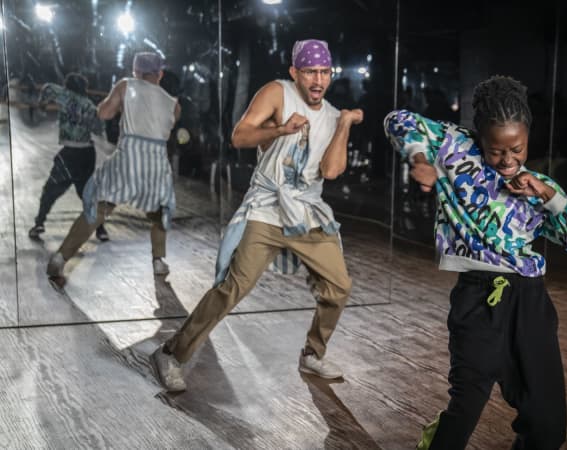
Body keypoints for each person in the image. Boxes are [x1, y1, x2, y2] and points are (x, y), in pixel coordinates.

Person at [384, 76, 567, 449]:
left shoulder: (539, 186)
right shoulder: (457, 150)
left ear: (527, 138)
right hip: (477, 299)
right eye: (496, 150)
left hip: (530, 303)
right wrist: (419, 158)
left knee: (548, 426)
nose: (507, 160)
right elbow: (398, 120)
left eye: (516, 149)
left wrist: (548, 195)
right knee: (466, 408)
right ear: (479, 139)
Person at [150, 39, 363, 392]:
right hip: (267, 208)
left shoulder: (331, 116)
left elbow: (332, 169)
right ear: (295, 72)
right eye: (310, 71)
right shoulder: (278, 92)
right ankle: (171, 353)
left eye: (324, 72)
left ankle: (312, 354)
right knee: (234, 286)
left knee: (339, 286)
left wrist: (344, 126)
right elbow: (239, 136)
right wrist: (280, 130)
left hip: (307, 213)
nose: (318, 79)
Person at [47, 52, 181, 284]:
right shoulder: (174, 104)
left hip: (128, 157)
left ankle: (61, 257)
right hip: (156, 162)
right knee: (160, 213)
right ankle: (158, 261)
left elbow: (104, 113)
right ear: (159, 74)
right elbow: (161, 127)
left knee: (98, 208)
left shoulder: (126, 85)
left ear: (135, 71)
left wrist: (117, 105)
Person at [28, 73, 110, 242]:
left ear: (68, 86)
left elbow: (47, 87)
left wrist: (42, 104)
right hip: (87, 154)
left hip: (70, 154)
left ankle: (39, 224)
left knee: (50, 190)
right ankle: (101, 229)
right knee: (88, 193)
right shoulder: (89, 105)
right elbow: (98, 129)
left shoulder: (64, 96)